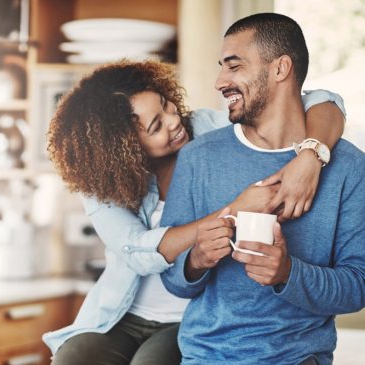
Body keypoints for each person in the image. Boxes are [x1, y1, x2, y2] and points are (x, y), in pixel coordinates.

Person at [42, 59, 345, 365]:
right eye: (155, 126)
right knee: (72, 358)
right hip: (120, 315)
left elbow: (323, 102)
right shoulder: (99, 182)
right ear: (123, 148)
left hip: (190, 316)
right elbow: (137, 250)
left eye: (166, 105)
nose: (173, 121)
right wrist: (236, 209)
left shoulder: (206, 128)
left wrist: (311, 155)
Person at [160, 13, 365, 365]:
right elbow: (173, 279)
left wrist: (287, 273)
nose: (220, 81)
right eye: (221, 67)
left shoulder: (348, 167)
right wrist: (197, 259)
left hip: (297, 359)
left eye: (234, 66)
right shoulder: (198, 157)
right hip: (205, 356)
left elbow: (357, 286)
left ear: (280, 68)